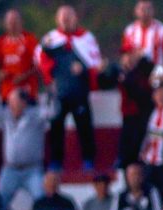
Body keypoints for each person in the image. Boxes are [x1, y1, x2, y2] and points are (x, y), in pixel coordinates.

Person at [35, 5, 103, 171]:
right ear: (57, 19)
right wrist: (50, 79)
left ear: (75, 18)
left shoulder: (86, 37)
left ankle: (88, 160)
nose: (65, 20)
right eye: (62, 16)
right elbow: (40, 60)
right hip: (59, 92)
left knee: (84, 128)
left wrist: (83, 68)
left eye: (69, 16)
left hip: (79, 91)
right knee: (56, 128)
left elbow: (96, 62)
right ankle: (56, 162)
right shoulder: (51, 39)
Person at [0, 9, 38, 103]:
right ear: (5, 24)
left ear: (21, 22)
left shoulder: (30, 40)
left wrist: (24, 75)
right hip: (7, 92)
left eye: (15, 21)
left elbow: (39, 64)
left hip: (27, 92)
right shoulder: (0, 43)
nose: (12, 24)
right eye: (10, 22)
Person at [122, 0, 163, 74]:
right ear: (136, 11)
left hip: (156, 73)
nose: (145, 12)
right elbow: (125, 55)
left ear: (153, 11)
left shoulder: (162, 30)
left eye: (148, 9)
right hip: (136, 73)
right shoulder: (129, 31)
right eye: (142, 9)